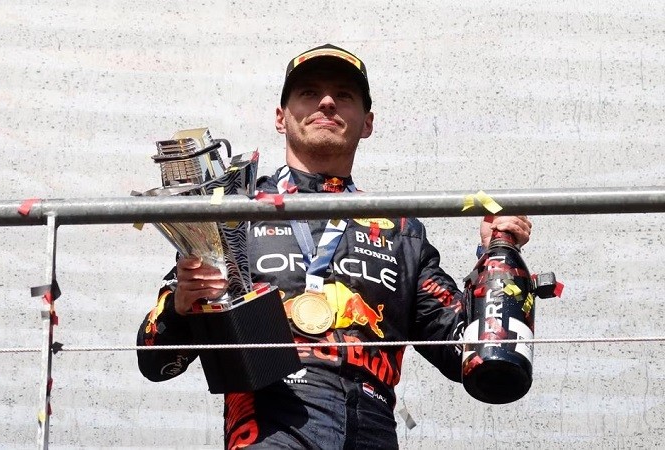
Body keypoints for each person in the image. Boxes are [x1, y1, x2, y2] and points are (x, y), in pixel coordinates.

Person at [137, 44, 532, 449]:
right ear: (280, 117)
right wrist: (181, 305)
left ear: (367, 123)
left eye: (343, 95)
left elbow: (466, 355)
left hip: (372, 425)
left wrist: (495, 255)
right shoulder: (236, 214)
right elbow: (154, 361)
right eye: (309, 92)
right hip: (269, 422)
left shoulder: (401, 230)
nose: (326, 102)